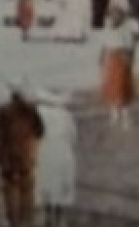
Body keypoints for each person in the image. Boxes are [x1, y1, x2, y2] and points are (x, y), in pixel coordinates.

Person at [0, 79, 45, 226]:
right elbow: (40, 132)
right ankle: (25, 222)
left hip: (7, 157)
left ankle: (13, 223)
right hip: (25, 156)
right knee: (26, 190)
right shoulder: (31, 112)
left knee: (10, 191)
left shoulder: (1, 112)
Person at [35, 88, 78, 226]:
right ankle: (59, 219)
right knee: (61, 187)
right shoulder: (65, 116)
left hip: (45, 151)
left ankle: (47, 216)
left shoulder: (38, 114)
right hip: (62, 151)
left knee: (46, 185)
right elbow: (73, 136)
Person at [99, 10, 138, 129]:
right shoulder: (108, 29)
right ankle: (114, 110)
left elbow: (131, 46)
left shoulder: (126, 30)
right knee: (111, 85)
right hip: (111, 60)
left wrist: (129, 57)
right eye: (112, 16)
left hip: (122, 59)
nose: (114, 19)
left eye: (116, 17)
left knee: (122, 85)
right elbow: (105, 45)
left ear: (121, 18)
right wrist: (102, 56)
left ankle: (125, 113)